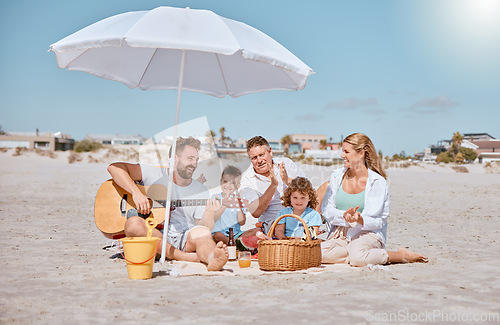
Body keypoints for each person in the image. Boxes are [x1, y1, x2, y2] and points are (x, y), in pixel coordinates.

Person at [107, 136, 228, 271]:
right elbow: (114, 168)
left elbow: (202, 226)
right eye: (190, 158)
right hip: (153, 234)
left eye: (196, 159)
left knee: (202, 232)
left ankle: (212, 258)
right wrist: (137, 193)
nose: (194, 164)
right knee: (133, 224)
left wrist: (210, 213)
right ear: (175, 159)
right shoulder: (154, 173)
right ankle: (183, 257)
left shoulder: (200, 190)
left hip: (183, 238)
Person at [321, 133, 428, 266]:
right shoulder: (336, 176)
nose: (342, 155)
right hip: (341, 232)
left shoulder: (377, 182)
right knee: (319, 253)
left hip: (367, 233)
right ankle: (355, 253)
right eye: (343, 151)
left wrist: (358, 220)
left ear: (361, 153)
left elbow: (379, 221)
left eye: (346, 152)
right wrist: (344, 216)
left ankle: (400, 255)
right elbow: (326, 209)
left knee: (358, 258)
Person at [240, 136, 306, 236]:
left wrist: (287, 181)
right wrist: (273, 185)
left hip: (300, 222)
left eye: (262, 155)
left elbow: (309, 192)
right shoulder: (247, 179)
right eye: (254, 158)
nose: (259, 160)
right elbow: (255, 212)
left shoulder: (286, 163)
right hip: (272, 229)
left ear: (270, 151)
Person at [211, 166, 247, 244]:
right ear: (220, 182)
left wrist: (238, 205)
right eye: (225, 181)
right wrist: (224, 205)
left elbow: (242, 222)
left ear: (238, 186)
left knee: (256, 231)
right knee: (217, 235)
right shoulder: (215, 198)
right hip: (220, 234)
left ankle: (233, 242)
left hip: (236, 234)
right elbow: (212, 219)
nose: (228, 185)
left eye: (232, 183)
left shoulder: (239, 200)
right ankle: (234, 244)